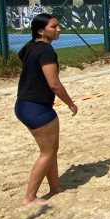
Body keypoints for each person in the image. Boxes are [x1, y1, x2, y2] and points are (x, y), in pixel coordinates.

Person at [15, 13, 78, 206]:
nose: (58, 29)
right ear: (41, 31)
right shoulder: (45, 50)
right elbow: (54, 84)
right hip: (36, 108)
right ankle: (29, 197)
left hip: (24, 105)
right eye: (53, 26)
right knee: (47, 153)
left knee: (51, 150)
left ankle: (55, 186)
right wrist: (70, 103)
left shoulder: (32, 47)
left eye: (58, 25)